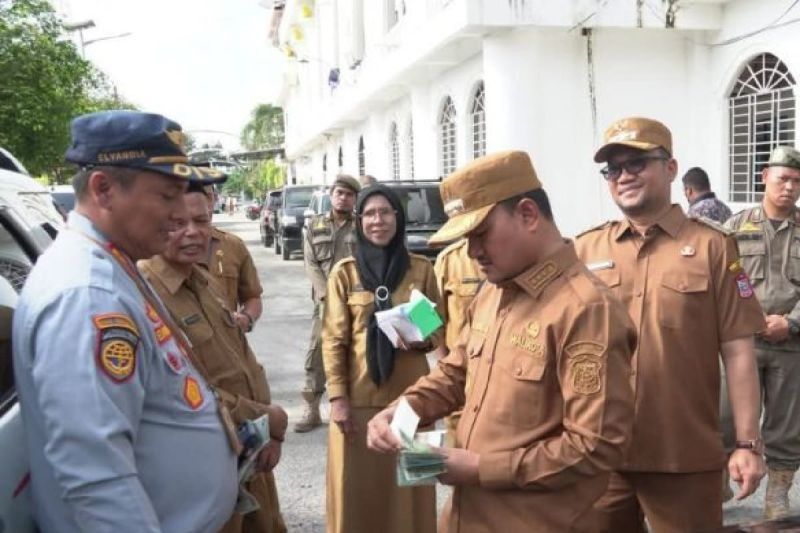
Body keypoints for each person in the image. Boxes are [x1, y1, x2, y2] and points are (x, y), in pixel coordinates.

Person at [367, 150, 637, 533]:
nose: (473, 251)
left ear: (527, 214)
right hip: (467, 514)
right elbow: (457, 370)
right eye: (466, 239)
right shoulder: (495, 291)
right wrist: (406, 408)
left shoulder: (586, 309)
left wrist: (480, 468)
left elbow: (594, 446)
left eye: (481, 234)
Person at [12, 110, 237, 532]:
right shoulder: (88, 294)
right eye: (167, 196)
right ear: (104, 189)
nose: (178, 214)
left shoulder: (115, 264)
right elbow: (96, 476)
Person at [575, 116, 766, 532]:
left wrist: (748, 443)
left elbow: (738, 350)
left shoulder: (713, 246)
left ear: (671, 168)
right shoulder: (585, 249)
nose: (623, 176)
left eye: (636, 163)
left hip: (684, 453)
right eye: (613, 169)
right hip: (599, 454)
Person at [139, 184, 289, 532]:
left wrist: (268, 429)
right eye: (178, 223)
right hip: (209, 459)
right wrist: (271, 417)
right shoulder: (146, 292)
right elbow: (182, 389)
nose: (193, 232)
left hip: (254, 447)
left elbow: (241, 355)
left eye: (201, 220)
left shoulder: (202, 277)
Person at [322, 184, 440, 533]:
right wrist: (338, 399)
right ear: (359, 221)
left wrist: (416, 338)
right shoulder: (346, 273)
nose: (378, 221)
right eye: (370, 213)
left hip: (414, 401)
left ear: (398, 218)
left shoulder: (419, 270)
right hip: (358, 404)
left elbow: (437, 332)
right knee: (355, 497)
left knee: (415, 493)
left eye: (386, 212)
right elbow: (333, 340)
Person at [723, 145, 800, 519]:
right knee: (726, 417)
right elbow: (725, 278)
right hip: (742, 343)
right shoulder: (734, 228)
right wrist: (750, 316)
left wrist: (791, 322)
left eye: (797, 182)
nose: (789, 187)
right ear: (764, 176)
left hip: (791, 344)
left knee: (786, 424)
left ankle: (778, 497)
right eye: (783, 178)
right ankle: (716, 483)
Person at [296, 174, 360, 432]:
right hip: (325, 301)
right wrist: (327, 294)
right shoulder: (315, 226)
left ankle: (356, 403)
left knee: (358, 348)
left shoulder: (362, 226)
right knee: (318, 349)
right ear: (331, 195)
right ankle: (312, 407)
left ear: (355, 198)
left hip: (357, 298)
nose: (343, 198)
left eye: (348, 194)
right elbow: (310, 263)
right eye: (339, 193)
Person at [432, 238, 484, 445]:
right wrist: (443, 363)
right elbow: (423, 314)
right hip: (462, 378)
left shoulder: (513, 254)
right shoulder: (448, 260)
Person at [202, 217, 263, 333]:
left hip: (227, 342)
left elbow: (253, 297)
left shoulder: (233, 245)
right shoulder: (160, 248)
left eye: (208, 197)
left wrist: (246, 319)